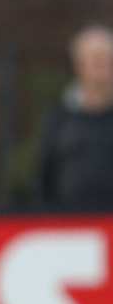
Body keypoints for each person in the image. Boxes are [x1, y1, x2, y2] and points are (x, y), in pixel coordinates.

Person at [36, 24, 113, 212]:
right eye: (96, 61)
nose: (102, 70)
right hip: (70, 229)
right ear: (78, 66)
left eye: (107, 61)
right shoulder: (59, 120)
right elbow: (44, 177)